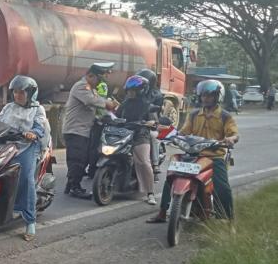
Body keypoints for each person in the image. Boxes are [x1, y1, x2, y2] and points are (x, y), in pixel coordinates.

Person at [147, 79, 239, 224]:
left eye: (209, 95)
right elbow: (183, 132)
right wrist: (172, 135)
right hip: (192, 154)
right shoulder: (194, 114)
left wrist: (230, 139)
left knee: (222, 186)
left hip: (213, 156)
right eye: (203, 95)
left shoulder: (225, 116)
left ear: (217, 97)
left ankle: (227, 219)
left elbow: (233, 134)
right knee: (171, 177)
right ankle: (162, 212)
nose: (205, 98)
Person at [0, 76, 49, 240]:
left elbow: (40, 126)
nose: (17, 95)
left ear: (31, 94)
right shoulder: (8, 107)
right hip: (8, 145)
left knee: (25, 179)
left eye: (21, 92)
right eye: (15, 92)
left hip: (28, 146)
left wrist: (33, 133)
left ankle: (30, 221)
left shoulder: (37, 109)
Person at [62, 63, 117, 199]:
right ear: (90, 75)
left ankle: (71, 185)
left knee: (83, 158)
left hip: (83, 130)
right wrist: (107, 103)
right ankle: (75, 188)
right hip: (75, 130)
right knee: (78, 159)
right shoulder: (82, 86)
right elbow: (91, 101)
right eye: (98, 79)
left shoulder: (91, 88)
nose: (99, 83)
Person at [115, 75, 156, 205]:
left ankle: (150, 193)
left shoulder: (147, 105)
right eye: (129, 91)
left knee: (144, 162)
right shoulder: (125, 104)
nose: (130, 93)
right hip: (124, 134)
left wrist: (149, 123)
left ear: (141, 91)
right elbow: (116, 116)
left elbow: (154, 121)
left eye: (133, 91)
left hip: (140, 135)